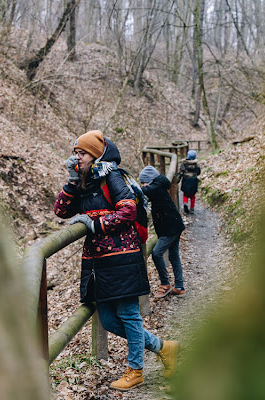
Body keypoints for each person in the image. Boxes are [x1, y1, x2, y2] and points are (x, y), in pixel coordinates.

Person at [54, 130, 179, 391]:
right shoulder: (84, 180)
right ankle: (164, 348)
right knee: (109, 320)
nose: (77, 157)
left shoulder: (111, 176)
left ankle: (136, 370)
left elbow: (128, 210)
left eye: (82, 153)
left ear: (96, 154)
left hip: (123, 257)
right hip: (100, 261)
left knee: (129, 315)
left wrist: (94, 223)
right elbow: (61, 211)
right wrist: (71, 180)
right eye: (76, 152)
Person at [138, 166, 186, 298]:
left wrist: (135, 189)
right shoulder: (159, 186)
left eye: (143, 182)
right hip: (173, 226)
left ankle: (165, 284)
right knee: (173, 256)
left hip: (170, 228)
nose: (143, 185)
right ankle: (179, 286)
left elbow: (146, 190)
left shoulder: (156, 187)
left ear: (150, 180)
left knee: (156, 253)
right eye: (141, 183)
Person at [177, 149, 201, 214]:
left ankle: (185, 203)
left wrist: (178, 179)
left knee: (185, 195)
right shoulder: (196, 165)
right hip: (193, 182)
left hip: (186, 181)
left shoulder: (184, 164)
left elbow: (180, 173)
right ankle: (192, 208)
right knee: (192, 196)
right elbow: (198, 172)